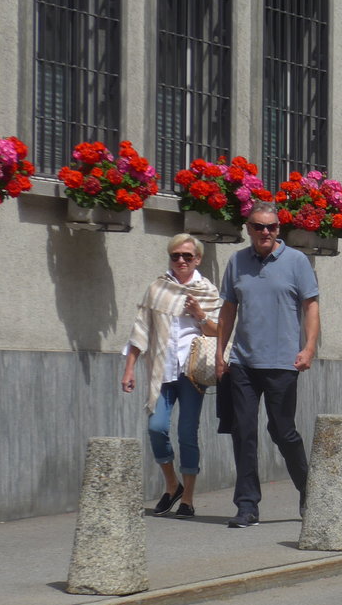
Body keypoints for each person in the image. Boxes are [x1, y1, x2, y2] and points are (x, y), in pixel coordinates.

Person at [215, 201, 320, 528]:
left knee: (282, 431)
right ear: (248, 229)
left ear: (278, 229)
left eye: (271, 227)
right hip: (243, 363)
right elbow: (228, 310)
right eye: (259, 227)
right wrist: (221, 353)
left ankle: (309, 491)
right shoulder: (237, 262)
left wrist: (309, 348)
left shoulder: (296, 261)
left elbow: (310, 306)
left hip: (282, 363)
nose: (265, 232)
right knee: (243, 432)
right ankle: (247, 506)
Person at [121, 234, 222, 517]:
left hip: (192, 373)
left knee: (187, 433)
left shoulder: (207, 291)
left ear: (197, 259)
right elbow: (140, 329)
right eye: (175, 255)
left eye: (187, 256)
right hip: (161, 370)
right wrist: (129, 368)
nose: (180, 260)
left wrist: (200, 314)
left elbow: (219, 332)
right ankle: (171, 484)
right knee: (156, 427)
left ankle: (188, 497)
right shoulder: (157, 288)